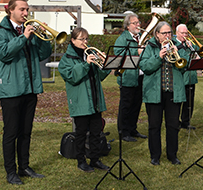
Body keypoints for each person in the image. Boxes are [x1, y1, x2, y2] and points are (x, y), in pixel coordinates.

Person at [0, 0, 52, 185]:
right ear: (10, 10)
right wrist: (24, 37)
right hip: (11, 90)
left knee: (26, 131)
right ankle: (11, 172)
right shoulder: (1, 32)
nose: (26, 13)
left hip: (30, 88)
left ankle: (24, 166)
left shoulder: (30, 31)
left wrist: (43, 36)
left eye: (27, 10)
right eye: (22, 10)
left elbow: (43, 55)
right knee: (11, 132)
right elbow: (4, 54)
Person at [58, 28, 111, 172]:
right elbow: (72, 77)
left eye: (86, 39)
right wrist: (86, 64)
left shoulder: (91, 54)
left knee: (96, 132)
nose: (85, 42)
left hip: (95, 100)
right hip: (80, 101)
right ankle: (81, 160)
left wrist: (105, 64)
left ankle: (95, 159)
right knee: (80, 134)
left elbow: (100, 76)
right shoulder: (66, 60)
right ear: (73, 41)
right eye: (81, 39)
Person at [139, 21, 186, 165]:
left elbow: (185, 65)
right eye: (164, 33)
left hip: (173, 92)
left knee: (172, 125)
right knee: (154, 125)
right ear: (157, 34)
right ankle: (155, 156)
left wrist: (176, 54)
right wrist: (158, 57)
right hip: (154, 92)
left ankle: (172, 155)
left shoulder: (177, 46)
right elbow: (145, 66)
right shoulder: (150, 47)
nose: (167, 35)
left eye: (169, 32)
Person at [114, 13, 147, 142]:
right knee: (126, 105)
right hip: (127, 77)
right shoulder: (122, 39)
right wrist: (136, 51)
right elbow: (118, 55)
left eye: (138, 22)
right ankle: (123, 131)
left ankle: (132, 128)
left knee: (137, 104)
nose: (138, 25)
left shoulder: (141, 38)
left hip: (140, 76)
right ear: (128, 26)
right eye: (135, 23)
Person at [176, 24, 198, 130]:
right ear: (177, 33)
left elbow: (199, 54)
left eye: (186, 33)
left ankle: (186, 121)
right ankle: (175, 121)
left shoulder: (190, 44)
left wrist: (192, 47)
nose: (185, 35)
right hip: (180, 77)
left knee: (189, 102)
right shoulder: (174, 44)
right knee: (178, 102)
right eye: (182, 33)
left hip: (191, 77)